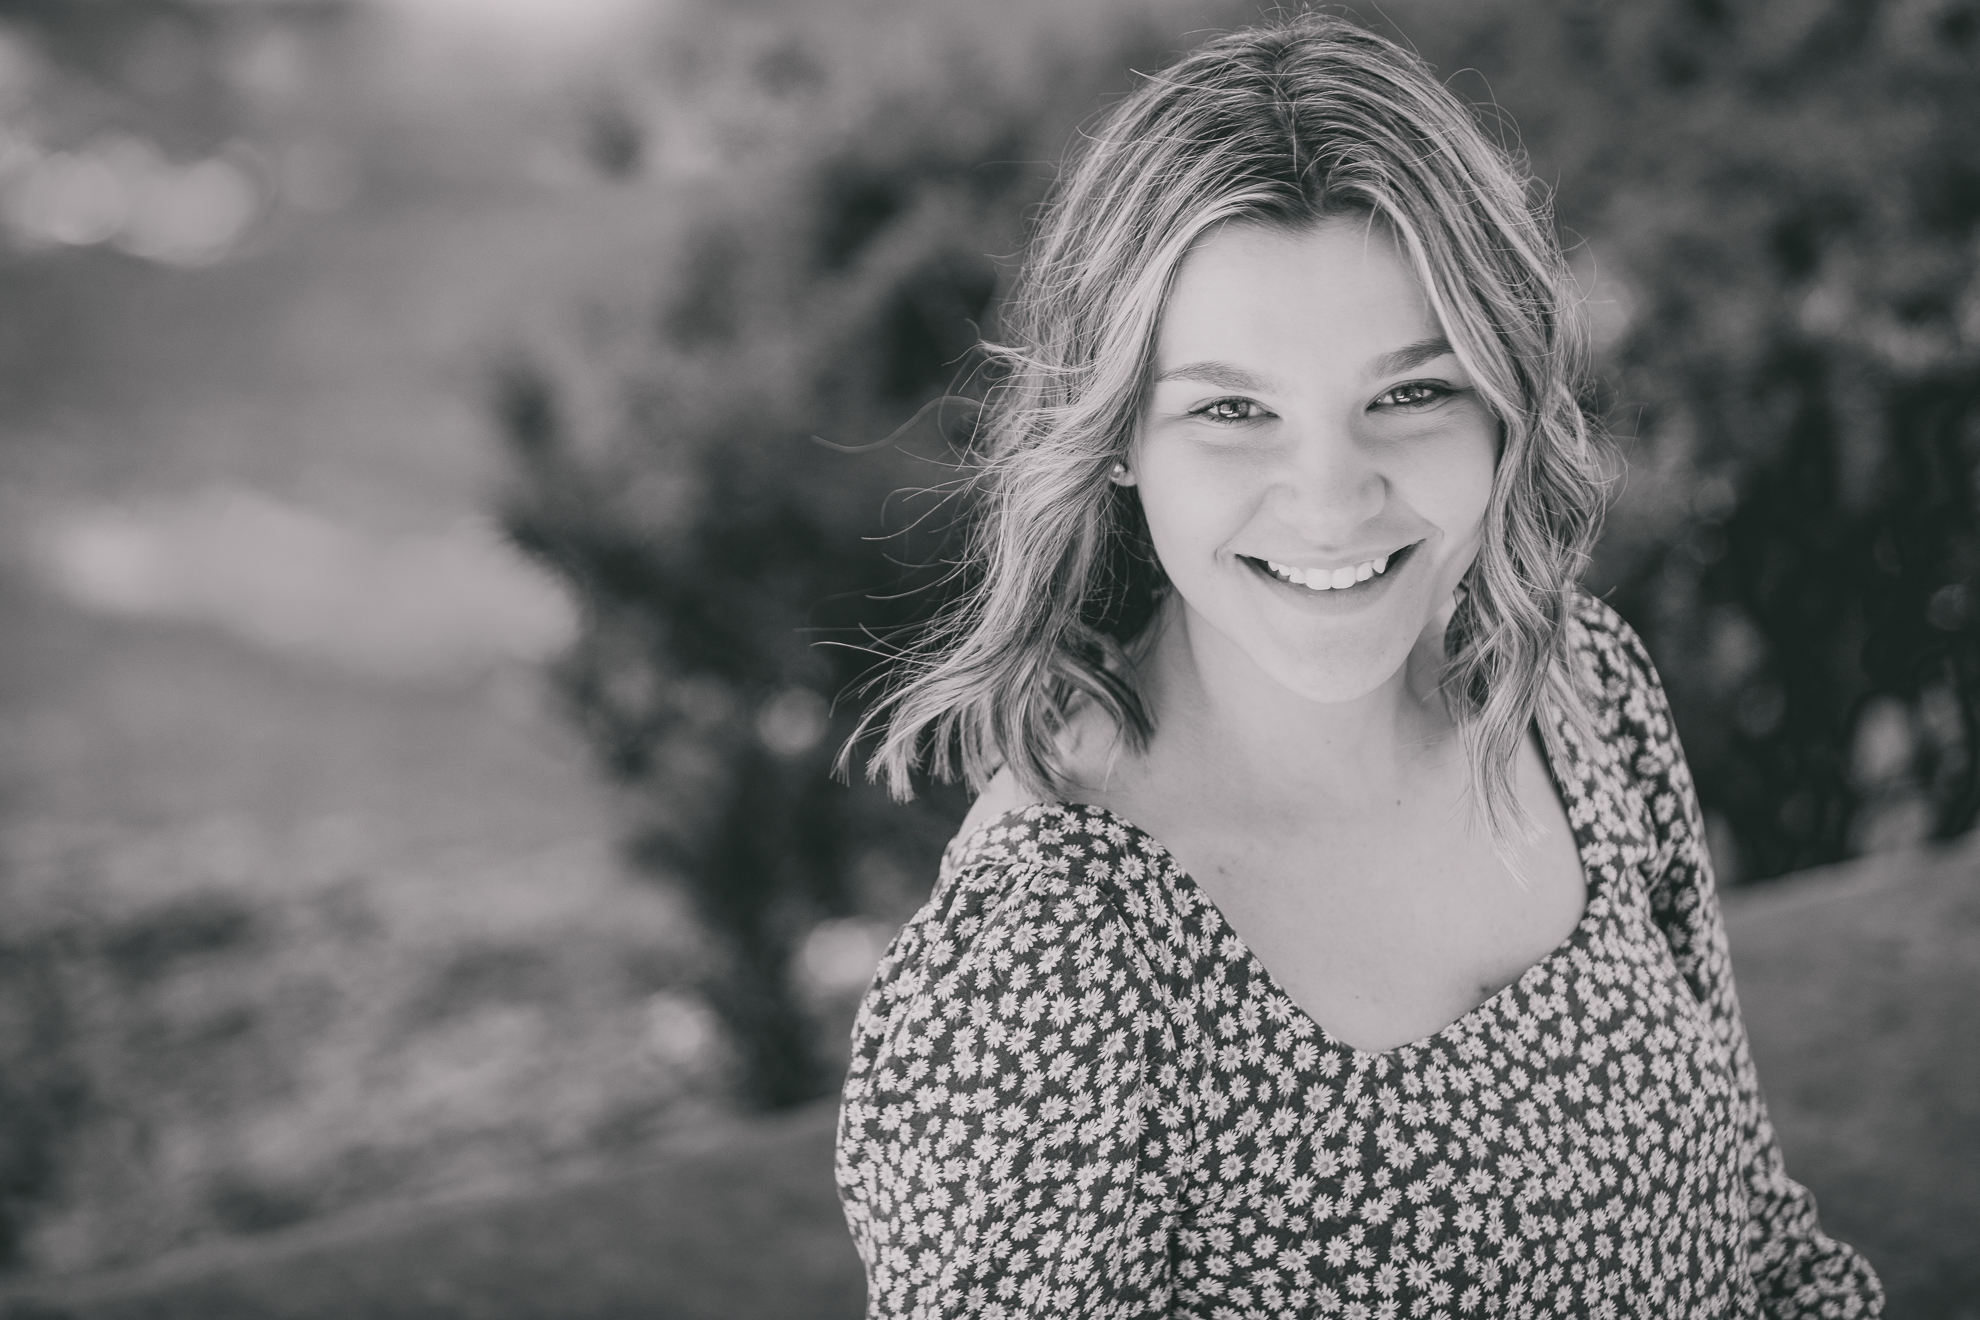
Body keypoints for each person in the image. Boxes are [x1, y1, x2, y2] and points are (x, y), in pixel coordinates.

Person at [833, 13, 1882, 1318]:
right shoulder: (1039, 972)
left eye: (1409, 393)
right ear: (1115, 438)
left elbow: (1753, 1247)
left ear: (1503, 398)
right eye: (1232, 410)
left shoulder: (1575, 692)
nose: (1331, 501)